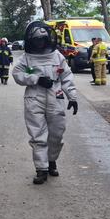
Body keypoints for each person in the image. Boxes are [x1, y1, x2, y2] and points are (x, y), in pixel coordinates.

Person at [12, 21, 79, 185]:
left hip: (55, 96)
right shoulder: (27, 58)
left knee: (56, 134)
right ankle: (41, 169)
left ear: (48, 39)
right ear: (32, 41)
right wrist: (36, 79)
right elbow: (17, 73)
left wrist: (72, 97)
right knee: (38, 135)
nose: (40, 43)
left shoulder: (57, 56)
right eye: (37, 40)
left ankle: (51, 162)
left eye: (42, 39)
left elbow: (66, 77)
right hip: (34, 97)